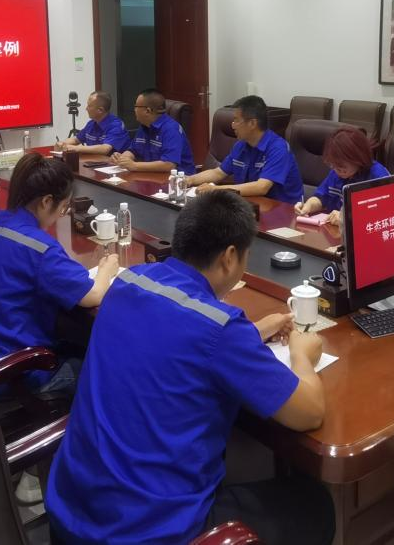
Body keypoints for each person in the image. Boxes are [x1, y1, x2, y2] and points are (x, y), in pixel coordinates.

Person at [46, 191, 334, 545]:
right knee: (315, 504)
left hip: (70, 510)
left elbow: (174, 336)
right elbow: (310, 412)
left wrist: (254, 332)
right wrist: (301, 354)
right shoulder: (221, 328)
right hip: (140, 534)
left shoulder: (128, 281)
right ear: (230, 257)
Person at [0, 152, 120, 395]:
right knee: (106, 369)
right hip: (7, 371)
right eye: (63, 207)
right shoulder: (40, 247)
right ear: (46, 201)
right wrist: (107, 268)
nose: (61, 214)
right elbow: (92, 295)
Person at [187, 95, 303, 205]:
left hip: (283, 210)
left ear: (252, 123)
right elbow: (218, 173)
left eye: (236, 120)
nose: (233, 125)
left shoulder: (278, 148)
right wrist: (189, 180)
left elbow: (261, 187)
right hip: (251, 204)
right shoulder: (241, 145)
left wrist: (215, 190)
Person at [293, 125, 389, 226]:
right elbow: (321, 198)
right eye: (333, 165)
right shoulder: (336, 173)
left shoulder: (378, 176)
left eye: (341, 166)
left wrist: (348, 218)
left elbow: (384, 216)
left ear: (358, 158)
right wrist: (308, 206)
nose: (337, 170)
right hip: (335, 231)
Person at [110, 88, 194, 173]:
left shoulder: (171, 129)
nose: (134, 110)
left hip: (177, 178)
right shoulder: (144, 125)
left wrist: (134, 165)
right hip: (150, 175)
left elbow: (169, 164)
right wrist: (123, 158)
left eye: (136, 107)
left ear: (147, 111)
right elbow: (133, 150)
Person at [57, 91, 130, 155]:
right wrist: (63, 143)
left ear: (100, 110)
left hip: (114, 164)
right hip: (95, 162)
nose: (86, 109)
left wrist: (77, 148)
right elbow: (76, 139)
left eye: (89, 106)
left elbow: (105, 149)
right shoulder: (91, 123)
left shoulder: (116, 125)